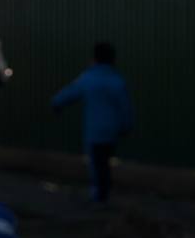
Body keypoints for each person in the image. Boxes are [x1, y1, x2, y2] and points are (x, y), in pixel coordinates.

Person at [51, 42, 134, 204]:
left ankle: (98, 196)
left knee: (96, 164)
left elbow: (69, 93)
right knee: (105, 162)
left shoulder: (88, 78)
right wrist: (126, 125)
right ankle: (104, 193)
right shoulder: (117, 81)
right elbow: (126, 107)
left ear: (94, 58)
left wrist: (56, 103)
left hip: (94, 132)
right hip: (112, 132)